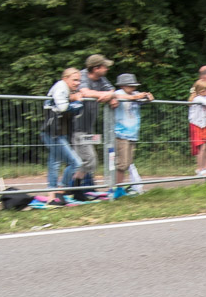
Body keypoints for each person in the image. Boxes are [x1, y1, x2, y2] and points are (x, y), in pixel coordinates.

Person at [70, 54, 115, 194]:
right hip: (76, 127)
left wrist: (109, 96)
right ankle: (73, 188)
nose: (107, 68)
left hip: (89, 128)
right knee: (89, 160)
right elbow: (85, 91)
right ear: (96, 68)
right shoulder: (81, 76)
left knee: (84, 160)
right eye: (104, 66)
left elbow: (111, 90)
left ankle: (77, 188)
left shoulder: (101, 78)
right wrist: (103, 95)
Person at [40, 68, 84, 206]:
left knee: (54, 163)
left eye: (79, 80)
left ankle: (52, 197)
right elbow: (64, 107)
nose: (78, 83)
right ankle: (61, 190)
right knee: (76, 163)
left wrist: (75, 100)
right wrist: (77, 102)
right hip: (52, 133)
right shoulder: (61, 86)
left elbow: (73, 112)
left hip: (59, 132)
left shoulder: (66, 89)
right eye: (75, 80)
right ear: (65, 78)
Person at [112, 73, 154, 190]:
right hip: (121, 133)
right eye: (130, 86)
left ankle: (123, 187)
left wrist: (148, 97)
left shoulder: (136, 94)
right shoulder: (119, 93)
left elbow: (145, 100)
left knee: (128, 162)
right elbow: (117, 97)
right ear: (123, 85)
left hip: (132, 134)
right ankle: (116, 188)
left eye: (134, 86)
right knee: (122, 163)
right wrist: (135, 97)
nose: (133, 88)